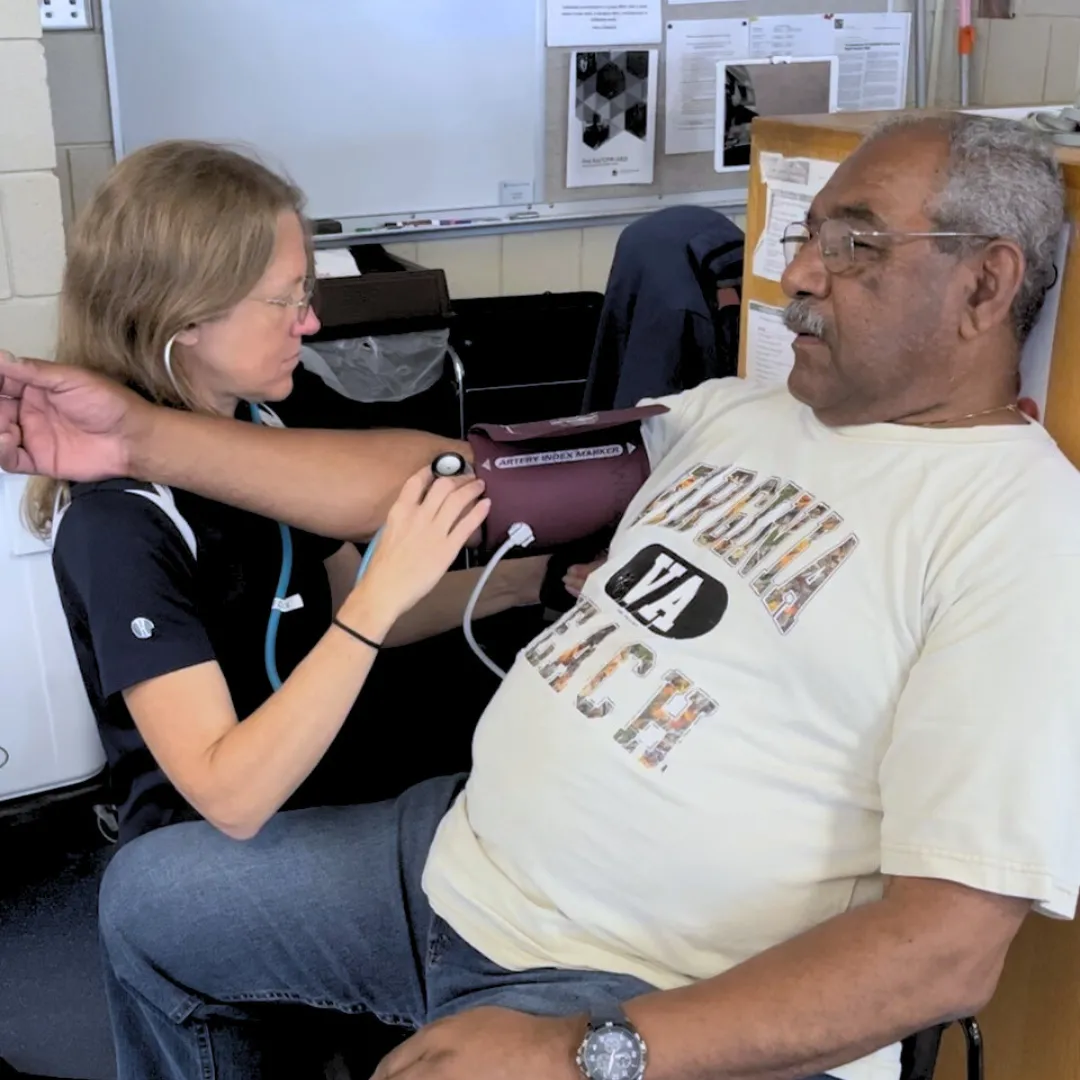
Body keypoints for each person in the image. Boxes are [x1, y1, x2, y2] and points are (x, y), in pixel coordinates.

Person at [2, 112, 1080, 1080]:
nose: (795, 272)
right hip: (459, 855)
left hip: (626, 979)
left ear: (984, 286)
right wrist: (138, 437)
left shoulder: (1018, 530)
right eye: (805, 236)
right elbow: (443, 480)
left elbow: (948, 952)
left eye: (854, 244)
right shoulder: (737, 415)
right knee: (150, 904)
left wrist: (592, 1052)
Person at [17, 140, 548, 847]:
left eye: (308, 294)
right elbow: (230, 797)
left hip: (321, 793)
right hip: (210, 862)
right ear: (187, 318)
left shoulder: (256, 427)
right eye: (285, 300)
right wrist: (379, 594)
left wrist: (537, 583)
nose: (310, 322)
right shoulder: (121, 523)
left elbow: (344, 595)